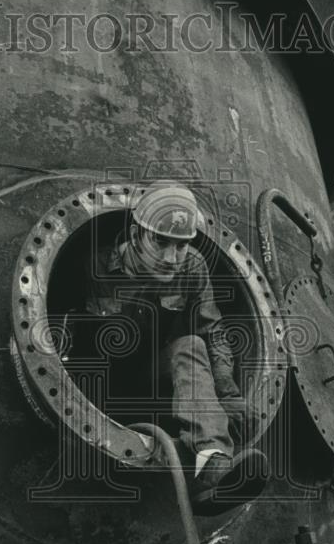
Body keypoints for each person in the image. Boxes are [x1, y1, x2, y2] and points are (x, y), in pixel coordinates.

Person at [82, 182, 268, 510]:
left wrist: (229, 394)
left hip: (157, 377)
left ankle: (211, 467)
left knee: (191, 344)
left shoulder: (192, 267)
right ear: (137, 233)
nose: (172, 258)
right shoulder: (96, 266)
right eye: (161, 242)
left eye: (182, 245)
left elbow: (214, 332)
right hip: (103, 384)